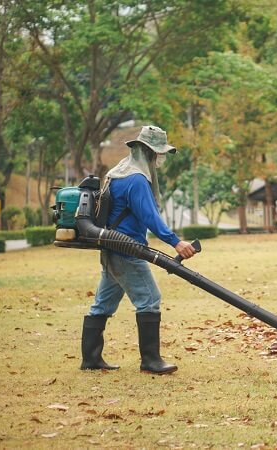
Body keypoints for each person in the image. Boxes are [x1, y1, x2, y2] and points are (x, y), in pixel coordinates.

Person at [80, 125, 196, 374]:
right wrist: (175, 241)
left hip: (110, 248)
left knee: (103, 305)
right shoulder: (136, 180)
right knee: (150, 299)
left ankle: (90, 359)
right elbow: (149, 216)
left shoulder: (117, 173)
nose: (160, 158)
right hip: (128, 251)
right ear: (148, 151)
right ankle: (151, 361)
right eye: (158, 153)